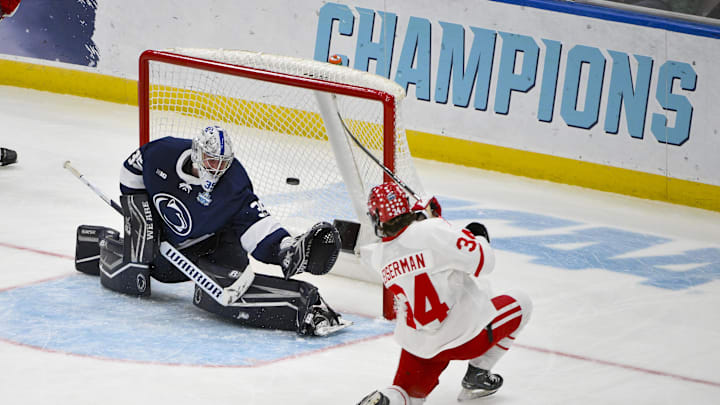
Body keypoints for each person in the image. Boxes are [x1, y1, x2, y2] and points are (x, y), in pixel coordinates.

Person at [74, 125, 351, 336]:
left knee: (224, 291)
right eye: (210, 161)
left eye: (222, 162)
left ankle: (303, 305)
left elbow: (252, 221)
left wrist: (285, 249)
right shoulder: (162, 153)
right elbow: (131, 171)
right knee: (135, 273)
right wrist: (142, 219)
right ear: (196, 153)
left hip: (215, 244)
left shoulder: (233, 181)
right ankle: (100, 243)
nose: (216, 168)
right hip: (166, 252)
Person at [356, 182, 533, 404]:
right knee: (523, 302)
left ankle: (388, 400)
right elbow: (484, 262)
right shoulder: (432, 231)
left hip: (419, 346)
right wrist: (470, 233)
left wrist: (434, 223)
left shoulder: (379, 257)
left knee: (405, 395)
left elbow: (414, 249)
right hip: (466, 338)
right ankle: (478, 374)